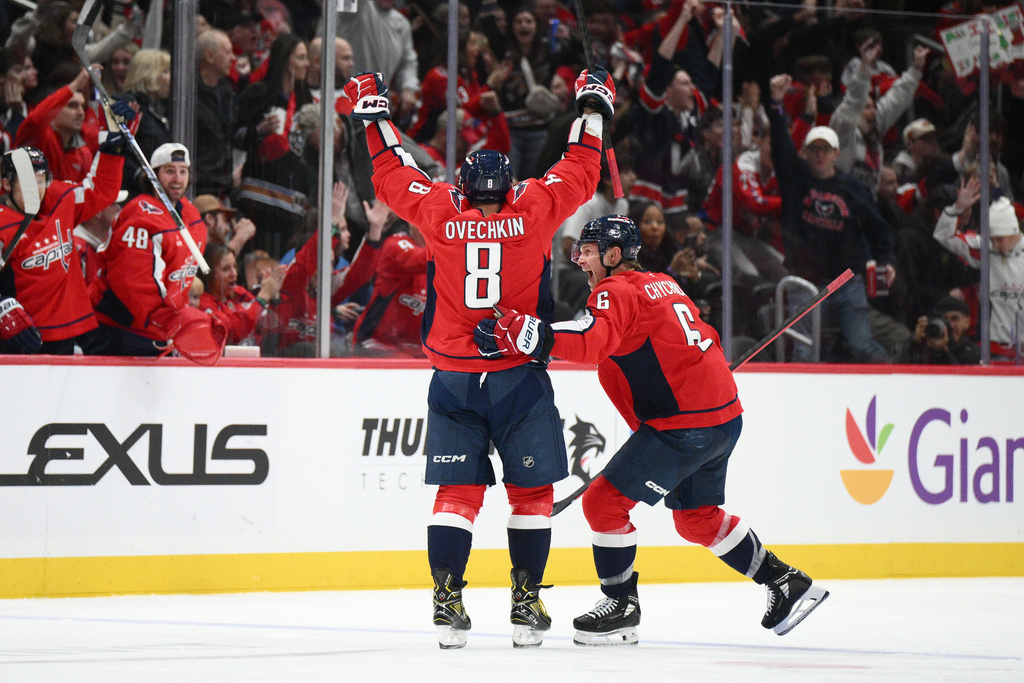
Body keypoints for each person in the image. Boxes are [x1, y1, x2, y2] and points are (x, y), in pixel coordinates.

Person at [345, 65, 615, 649]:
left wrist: (373, 113)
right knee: (531, 496)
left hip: (455, 379)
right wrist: (592, 107)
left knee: (457, 496)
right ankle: (525, 605)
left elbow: (393, 173)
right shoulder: (538, 207)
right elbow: (581, 167)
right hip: (518, 378)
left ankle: (447, 602)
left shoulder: (442, 211)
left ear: (465, 187)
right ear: (510, 185)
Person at [473, 214, 830, 646]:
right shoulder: (662, 282)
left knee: (603, 504)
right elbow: (698, 337)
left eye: (587, 251)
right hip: (721, 417)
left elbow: (591, 341)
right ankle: (785, 581)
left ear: (613, 254)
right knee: (696, 520)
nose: (581, 260)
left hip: (684, 425)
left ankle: (621, 605)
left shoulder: (616, 292)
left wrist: (528, 334)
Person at [768, 73, 895, 363]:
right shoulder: (795, 180)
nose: (819, 155)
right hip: (805, 279)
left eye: (825, 149)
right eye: (814, 149)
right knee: (803, 351)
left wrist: (887, 262)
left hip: (846, 281)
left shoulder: (854, 189)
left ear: (837, 153)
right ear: (806, 152)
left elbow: (880, 230)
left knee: (863, 346)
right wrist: (776, 103)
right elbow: (780, 147)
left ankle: (894, 387)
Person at [89, 143, 223, 363]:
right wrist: (174, 321)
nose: (177, 179)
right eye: (169, 171)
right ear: (153, 175)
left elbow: (180, 280)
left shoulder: (190, 214)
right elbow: (135, 287)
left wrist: (179, 318)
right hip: (119, 328)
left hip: (158, 330)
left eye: (183, 171)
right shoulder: (140, 216)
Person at [0, 133, 128, 354]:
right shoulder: (2, 224)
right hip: (18, 336)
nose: (36, 188)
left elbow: (101, 190)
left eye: (40, 180)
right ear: (7, 184)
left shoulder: (60, 199)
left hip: (65, 333)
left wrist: (113, 148)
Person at [236, 33, 312, 257]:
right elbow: (235, 138)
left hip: (293, 199)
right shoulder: (258, 93)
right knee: (259, 260)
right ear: (285, 60)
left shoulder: (305, 99)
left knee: (284, 263)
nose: (306, 64)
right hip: (260, 195)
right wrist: (258, 131)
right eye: (301, 57)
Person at [933, 179, 1024, 361]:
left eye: (1001, 238)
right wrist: (956, 209)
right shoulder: (985, 250)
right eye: (993, 238)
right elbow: (943, 236)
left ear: (1014, 231)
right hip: (995, 348)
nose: (997, 244)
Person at [197, 242, 284, 346]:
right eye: (225, 269)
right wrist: (263, 296)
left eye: (235, 266)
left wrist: (274, 297)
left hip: (257, 356)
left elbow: (273, 327)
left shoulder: (239, 292)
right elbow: (233, 331)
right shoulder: (202, 303)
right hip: (227, 361)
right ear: (208, 274)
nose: (234, 273)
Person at [118, 49, 173, 195]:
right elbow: (116, 147)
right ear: (149, 74)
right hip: (131, 192)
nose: (172, 78)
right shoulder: (127, 104)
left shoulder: (162, 107)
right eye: (166, 72)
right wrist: (139, 175)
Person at [195, 29, 238, 199]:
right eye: (227, 52)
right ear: (210, 56)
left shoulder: (227, 92)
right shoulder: (187, 94)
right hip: (198, 187)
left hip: (223, 186)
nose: (233, 58)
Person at [897, 295, 981, 365]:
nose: (950, 325)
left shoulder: (974, 354)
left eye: (955, 319)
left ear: (967, 321)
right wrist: (914, 343)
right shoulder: (923, 344)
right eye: (944, 320)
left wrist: (942, 352)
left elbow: (961, 380)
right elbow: (896, 371)